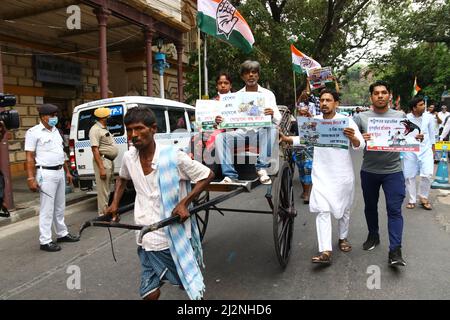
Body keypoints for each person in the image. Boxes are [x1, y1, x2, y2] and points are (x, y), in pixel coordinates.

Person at [104, 106, 214, 300]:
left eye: (139, 128)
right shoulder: (129, 157)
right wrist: (114, 204)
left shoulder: (173, 157)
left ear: (153, 128)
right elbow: (122, 178)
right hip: (144, 234)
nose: (133, 135)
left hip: (169, 236)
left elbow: (207, 175)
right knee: (149, 291)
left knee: (189, 285)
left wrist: (184, 203)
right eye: (129, 130)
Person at [281, 89, 365, 264]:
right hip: (321, 174)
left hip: (342, 174)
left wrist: (353, 138)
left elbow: (360, 144)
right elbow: (304, 138)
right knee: (322, 210)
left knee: (344, 209)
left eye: (328, 100)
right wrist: (287, 138)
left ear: (336, 103)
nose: (324, 103)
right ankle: (325, 250)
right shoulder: (315, 122)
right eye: (322, 100)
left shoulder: (346, 121)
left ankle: (343, 238)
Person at [353, 80, 410, 267]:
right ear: (371, 97)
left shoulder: (400, 115)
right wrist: (361, 137)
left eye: (383, 92)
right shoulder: (361, 118)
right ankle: (373, 235)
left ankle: (395, 250)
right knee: (370, 206)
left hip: (393, 171)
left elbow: (409, 136)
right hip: (369, 170)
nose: (380, 96)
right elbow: (351, 141)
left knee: (394, 210)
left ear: (389, 95)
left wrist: (416, 137)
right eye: (376, 93)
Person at [214, 60, 281, 184]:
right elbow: (228, 118)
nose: (251, 75)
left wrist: (272, 114)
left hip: (261, 134)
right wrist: (220, 120)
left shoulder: (268, 94)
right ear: (242, 76)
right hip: (242, 133)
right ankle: (230, 174)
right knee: (219, 137)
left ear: (258, 75)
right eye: (247, 73)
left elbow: (278, 118)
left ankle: (261, 167)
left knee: (272, 128)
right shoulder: (236, 96)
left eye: (254, 72)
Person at [24, 104, 79, 252]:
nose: (55, 118)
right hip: (45, 174)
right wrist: (30, 178)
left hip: (60, 171)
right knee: (47, 208)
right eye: (51, 115)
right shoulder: (33, 132)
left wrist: (67, 171)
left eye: (56, 115)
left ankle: (62, 233)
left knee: (60, 206)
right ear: (42, 117)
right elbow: (29, 157)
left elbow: (61, 153)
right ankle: (45, 240)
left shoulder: (56, 131)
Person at [402, 97, 435, 210]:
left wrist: (433, 150)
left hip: (426, 149)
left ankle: (423, 197)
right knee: (409, 175)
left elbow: (432, 135)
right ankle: (412, 199)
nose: (424, 106)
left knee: (427, 174)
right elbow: (401, 135)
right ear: (414, 108)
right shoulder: (406, 118)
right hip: (410, 149)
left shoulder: (429, 117)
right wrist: (412, 137)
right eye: (421, 105)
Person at [89, 107, 119, 216]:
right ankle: (103, 214)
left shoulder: (104, 129)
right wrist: (101, 168)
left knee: (107, 189)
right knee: (103, 190)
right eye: (108, 116)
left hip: (109, 160)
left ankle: (107, 211)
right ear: (102, 118)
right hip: (103, 161)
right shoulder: (95, 129)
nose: (109, 118)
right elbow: (95, 149)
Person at [292, 105, 314, 204]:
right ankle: (305, 191)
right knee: (301, 170)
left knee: (308, 169)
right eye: (301, 111)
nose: (303, 112)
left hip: (309, 149)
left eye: (305, 110)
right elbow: (291, 134)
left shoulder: (312, 120)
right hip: (298, 148)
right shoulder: (294, 122)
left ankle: (307, 194)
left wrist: (309, 116)